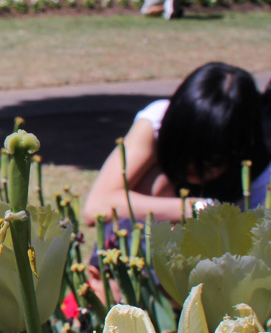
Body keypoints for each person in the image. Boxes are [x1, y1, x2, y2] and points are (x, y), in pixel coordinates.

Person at [82, 62, 271, 226]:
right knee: (160, 181)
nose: (192, 166)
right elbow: (97, 207)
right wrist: (198, 209)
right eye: (183, 150)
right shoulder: (157, 121)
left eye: (211, 160)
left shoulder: (259, 168)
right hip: (144, 244)